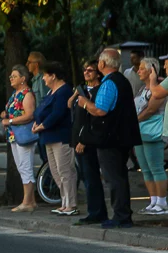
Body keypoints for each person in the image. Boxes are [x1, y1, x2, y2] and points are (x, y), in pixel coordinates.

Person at [76, 49, 142, 228]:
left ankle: (121, 216)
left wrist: (85, 103)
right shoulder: (122, 81)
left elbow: (100, 110)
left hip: (110, 138)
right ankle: (123, 213)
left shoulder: (109, 83)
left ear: (102, 64)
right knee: (119, 176)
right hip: (122, 136)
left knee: (113, 177)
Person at [32, 62, 77, 215]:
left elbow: (57, 113)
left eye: (45, 75)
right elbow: (42, 111)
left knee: (65, 170)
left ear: (53, 76)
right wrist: (37, 124)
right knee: (56, 171)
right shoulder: (51, 92)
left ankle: (70, 204)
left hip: (60, 136)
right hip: (48, 136)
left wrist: (42, 125)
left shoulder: (64, 91)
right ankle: (64, 202)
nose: (43, 79)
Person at [69, 61, 106, 225]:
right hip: (77, 137)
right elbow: (70, 105)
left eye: (90, 70)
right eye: (84, 70)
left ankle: (96, 212)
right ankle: (97, 211)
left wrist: (84, 140)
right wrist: (76, 94)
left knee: (91, 177)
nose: (86, 73)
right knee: (85, 177)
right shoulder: (83, 91)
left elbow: (93, 119)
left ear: (98, 73)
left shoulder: (99, 91)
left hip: (88, 140)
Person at [132, 58, 167, 214]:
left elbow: (151, 109)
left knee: (156, 167)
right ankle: (153, 201)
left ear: (151, 70)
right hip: (140, 133)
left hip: (152, 133)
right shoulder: (141, 89)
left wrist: (133, 121)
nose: (138, 71)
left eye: (142, 68)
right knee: (145, 169)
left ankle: (162, 202)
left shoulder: (158, 88)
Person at [1, 65, 37, 211]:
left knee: (26, 166)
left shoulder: (27, 94)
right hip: (13, 135)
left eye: (14, 76)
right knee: (21, 167)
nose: (11, 78)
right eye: (10, 76)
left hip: (23, 135)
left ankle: (27, 202)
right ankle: (31, 201)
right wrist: (5, 115)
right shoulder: (15, 94)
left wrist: (9, 121)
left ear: (23, 78)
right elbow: (11, 111)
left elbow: (29, 115)